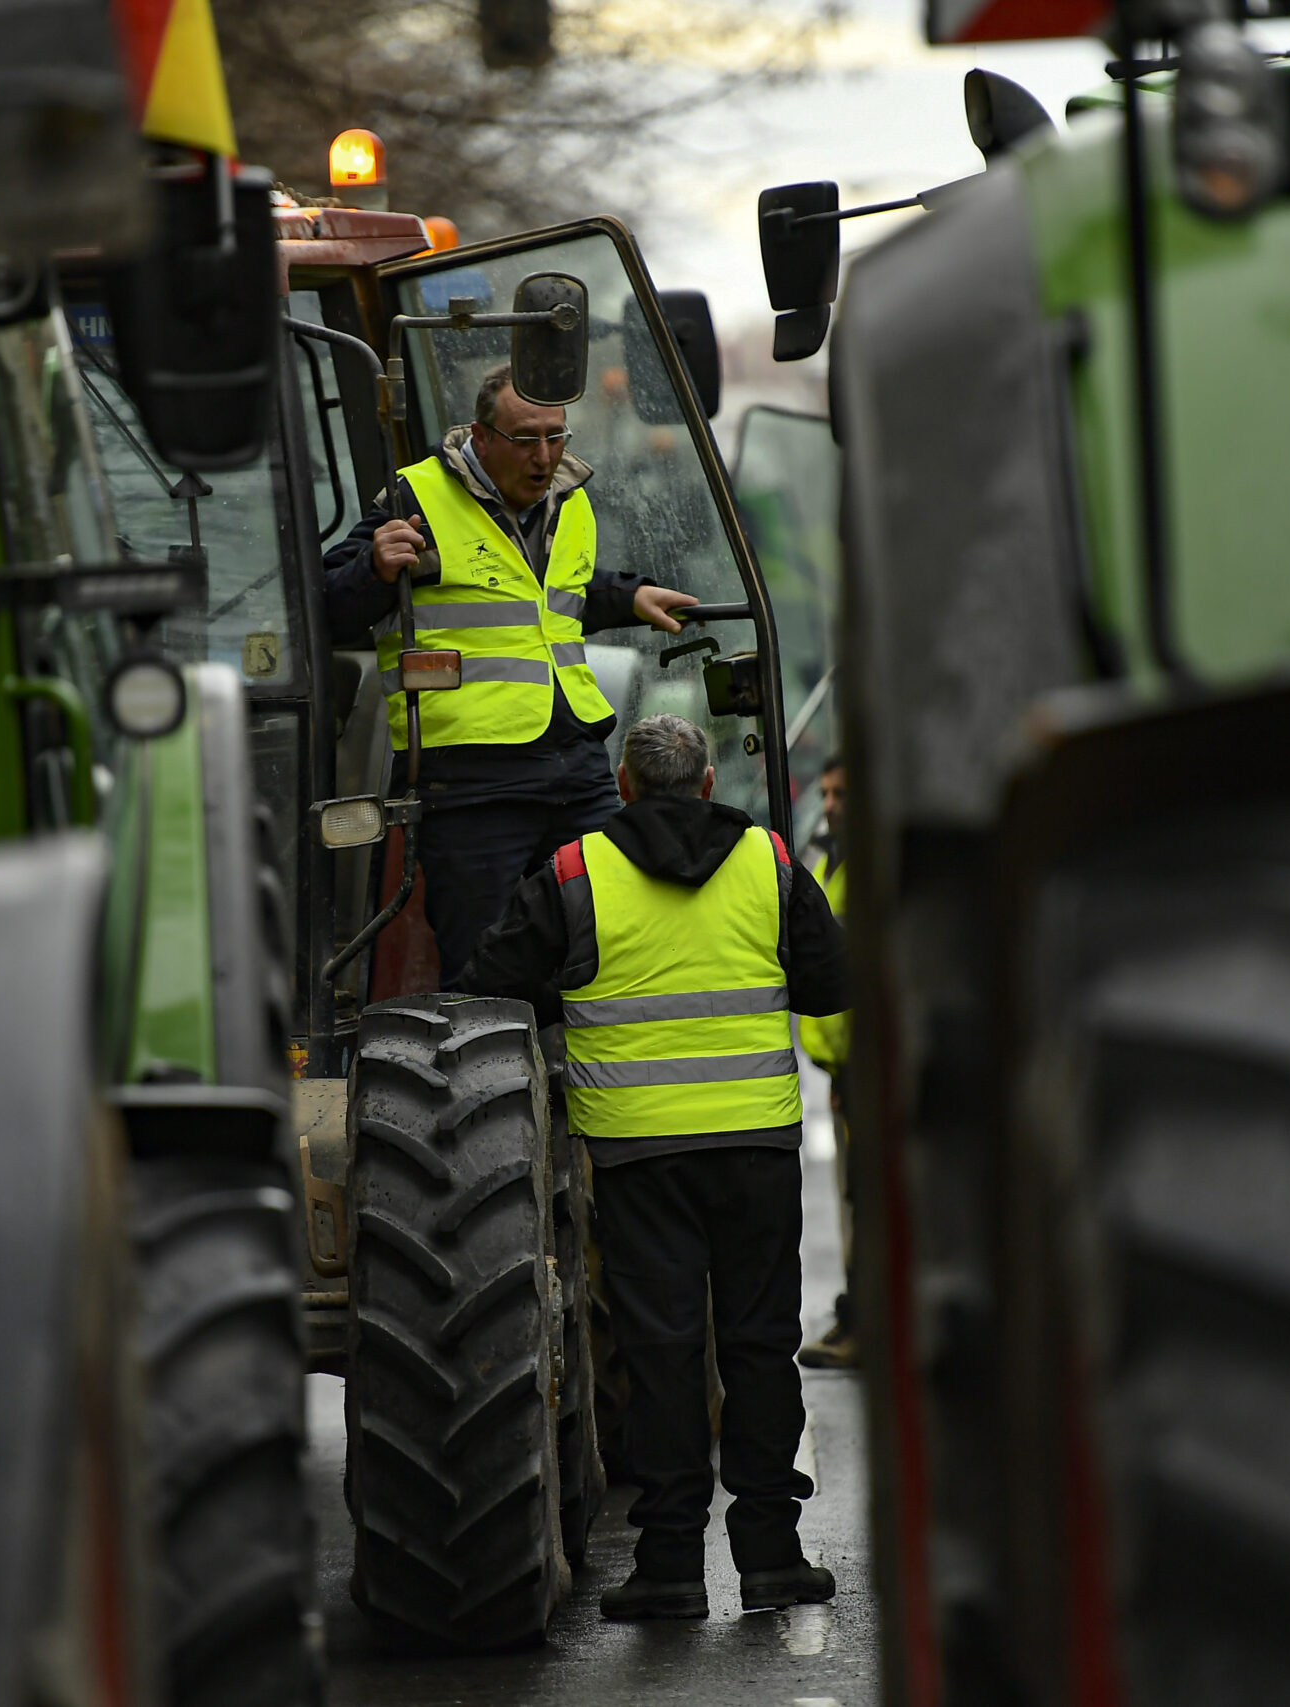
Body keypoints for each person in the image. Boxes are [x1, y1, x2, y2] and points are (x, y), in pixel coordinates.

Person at [462, 714, 849, 1621]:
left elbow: (491, 981)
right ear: (708, 782)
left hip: (638, 1158)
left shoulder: (574, 872)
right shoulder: (772, 863)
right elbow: (832, 984)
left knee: (664, 1356)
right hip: (756, 1146)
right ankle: (771, 1556)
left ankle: (671, 1567)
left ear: (625, 786)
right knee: (758, 1348)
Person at [324, 363, 699, 983]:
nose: (544, 455)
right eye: (526, 439)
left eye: (556, 437)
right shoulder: (416, 498)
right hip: (471, 780)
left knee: (619, 939)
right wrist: (375, 568)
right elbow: (327, 606)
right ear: (482, 435)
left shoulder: (571, 500)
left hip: (575, 767)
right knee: (486, 969)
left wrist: (627, 596)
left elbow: (547, 597)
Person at [796, 755, 857, 1370]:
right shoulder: (824, 856)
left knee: (866, 1195)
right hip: (842, 1066)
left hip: (866, 1063)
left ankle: (864, 1319)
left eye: (843, 793)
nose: (831, 803)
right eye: (827, 792)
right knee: (853, 1198)